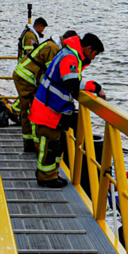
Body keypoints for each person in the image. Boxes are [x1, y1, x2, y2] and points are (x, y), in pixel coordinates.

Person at [29, 32, 106, 188]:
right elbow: (71, 82)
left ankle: (50, 174)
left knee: (54, 145)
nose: (93, 58)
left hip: (51, 107)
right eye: (94, 54)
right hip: (49, 109)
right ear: (88, 48)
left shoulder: (68, 53)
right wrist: (94, 87)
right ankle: (46, 178)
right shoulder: (70, 58)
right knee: (50, 146)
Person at [12, 21, 58, 153]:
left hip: (25, 71)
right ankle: (31, 144)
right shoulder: (33, 37)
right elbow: (49, 71)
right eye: (43, 28)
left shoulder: (30, 34)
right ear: (39, 26)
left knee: (26, 108)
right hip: (27, 75)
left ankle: (28, 142)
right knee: (29, 110)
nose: (43, 31)